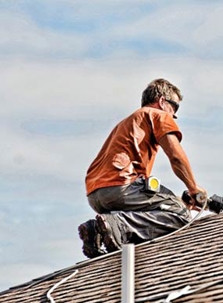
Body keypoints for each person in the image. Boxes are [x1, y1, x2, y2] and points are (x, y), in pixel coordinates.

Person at [78, 78, 207, 258]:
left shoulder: (128, 122)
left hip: (96, 194)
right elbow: (176, 157)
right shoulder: (157, 115)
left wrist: (179, 200)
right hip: (122, 186)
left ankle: (96, 232)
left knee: (169, 208)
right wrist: (194, 188)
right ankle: (117, 225)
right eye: (174, 108)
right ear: (162, 101)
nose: (174, 116)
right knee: (182, 215)